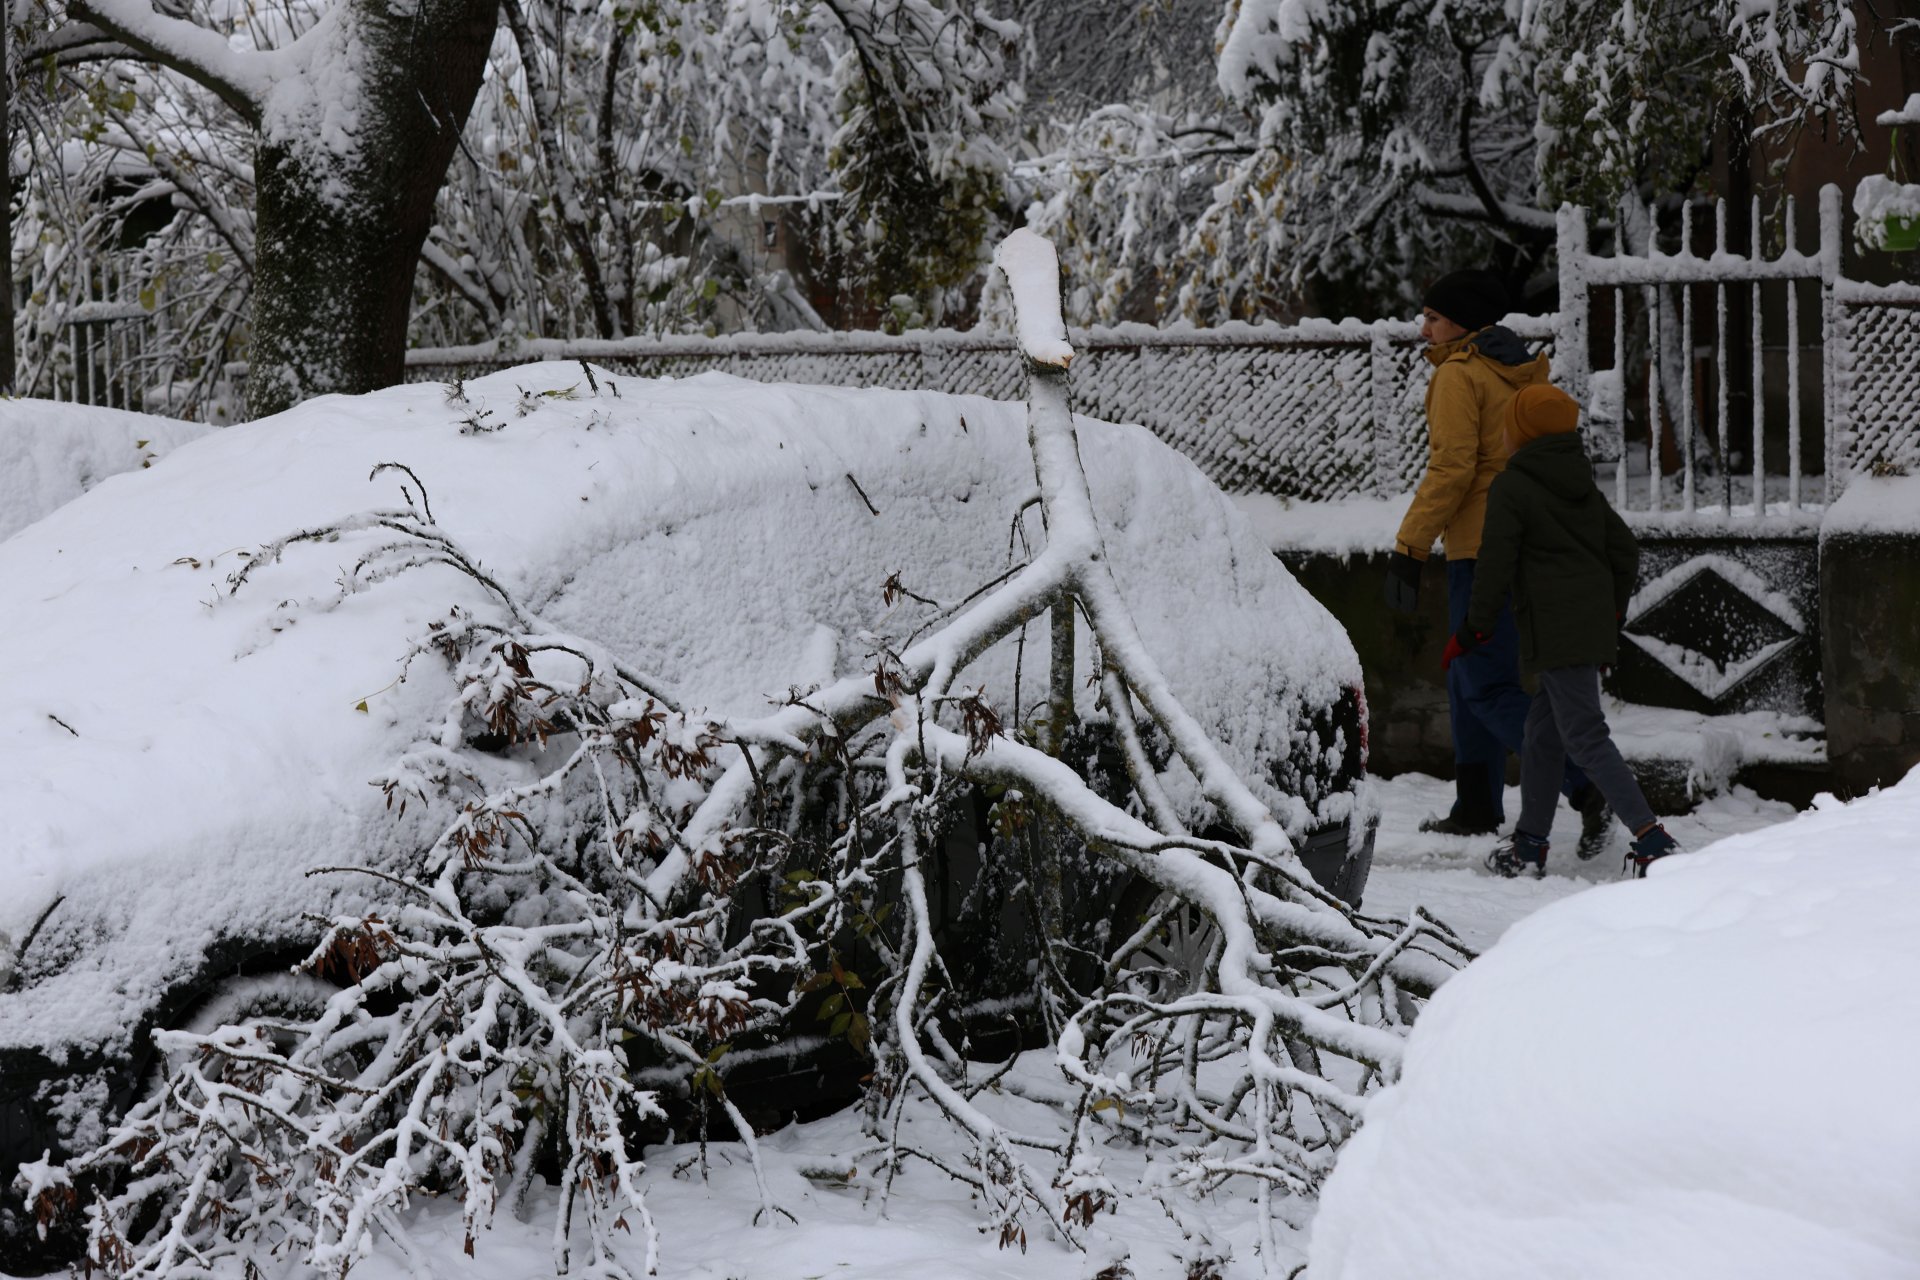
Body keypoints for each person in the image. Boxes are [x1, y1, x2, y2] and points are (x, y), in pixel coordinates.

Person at [1384, 268, 1612, 857]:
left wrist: (1410, 546)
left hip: (1483, 549)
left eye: (1433, 317)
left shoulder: (1460, 376)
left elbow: (1453, 467)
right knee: (1468, 680)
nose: (1423, 327)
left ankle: (1587, 787)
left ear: (1460, 324)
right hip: (1522, 543)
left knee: (1484, 683)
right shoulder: (1515, 373)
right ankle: (1478, 804)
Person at [1444, 383, 1681, 879]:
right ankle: (1530, 845)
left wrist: (1473, 629)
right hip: (1583, 626)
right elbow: (1625, 552)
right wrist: (1610, 614)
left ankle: (1653, 839)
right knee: (1542, 735)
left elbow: (1494, 563)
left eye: (1509, 427)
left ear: (1522, 433)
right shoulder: (1578, 482)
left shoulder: (1514, 486)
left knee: (1586, 735)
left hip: (1556, 631)